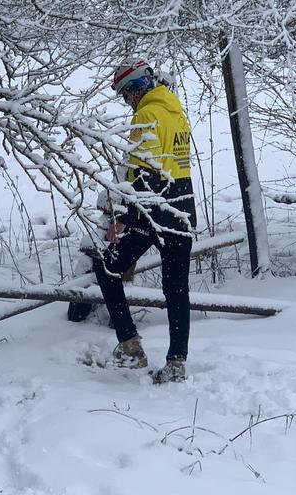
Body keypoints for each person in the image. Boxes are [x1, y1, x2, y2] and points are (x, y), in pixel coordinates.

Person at [95, 57, 197, 384]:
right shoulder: (176, 111)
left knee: (107, 267)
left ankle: (130, 346)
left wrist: (124, 218)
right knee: (176, 288)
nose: (127, 101)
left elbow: (141, 176)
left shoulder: (146, 115)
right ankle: (177, 362)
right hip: (183, 205)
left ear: (137, 88)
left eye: (127, 94)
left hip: (153, 209)